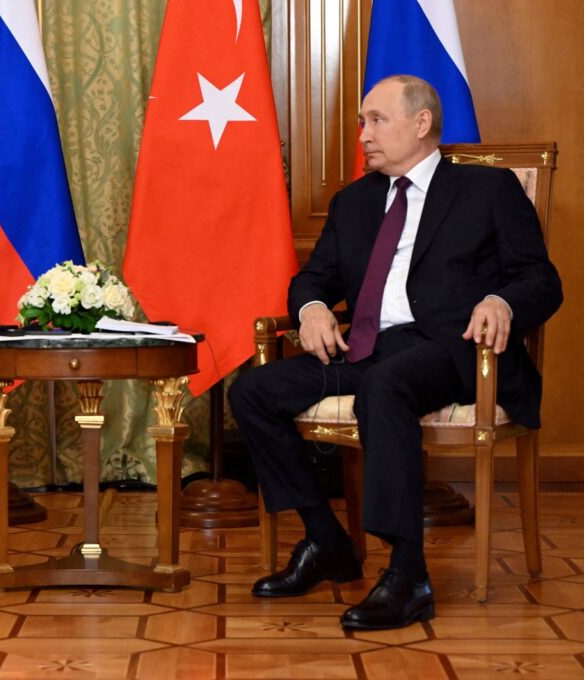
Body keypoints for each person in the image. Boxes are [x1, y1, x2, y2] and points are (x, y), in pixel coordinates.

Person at [229, 74, 562, 630]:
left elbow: (540, 279)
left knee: (386, 387)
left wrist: (502, 300)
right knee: (255, 391)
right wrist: (311, 308)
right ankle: (326, 539)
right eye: (362, 122)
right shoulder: (354, 203)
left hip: (450, 350)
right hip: (364, 349)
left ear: (422, 123)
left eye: (376, 120)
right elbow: (313, 279)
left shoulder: (486, 190)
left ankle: (408, 573)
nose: (363, 134)